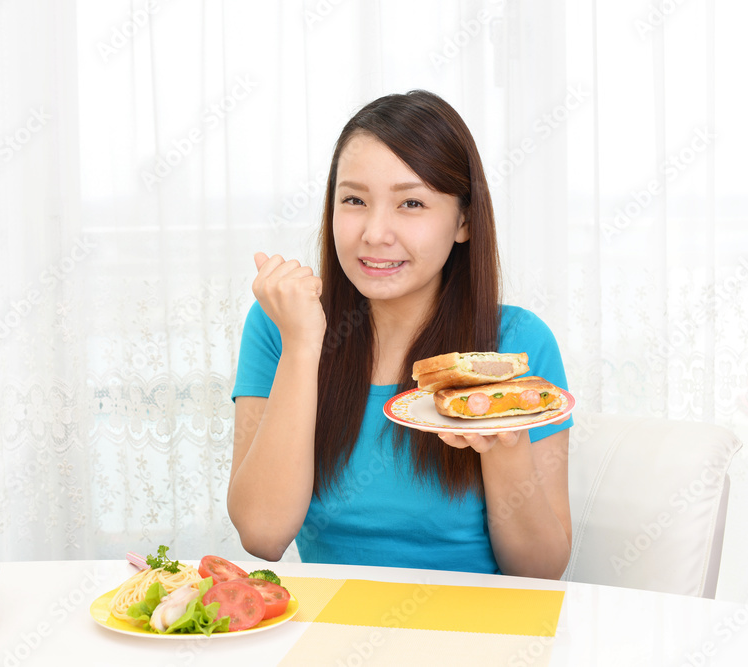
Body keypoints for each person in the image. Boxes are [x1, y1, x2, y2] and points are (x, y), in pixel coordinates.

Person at [228, 90, 573, 579]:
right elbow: (262, 536)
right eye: (354, 200)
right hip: (333, 632)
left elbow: (540, 573)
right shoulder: (280, 326)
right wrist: (303, 346)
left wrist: (503, 443)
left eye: (411, 202)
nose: (375, 232)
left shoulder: (516, 344)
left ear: (464, 221)